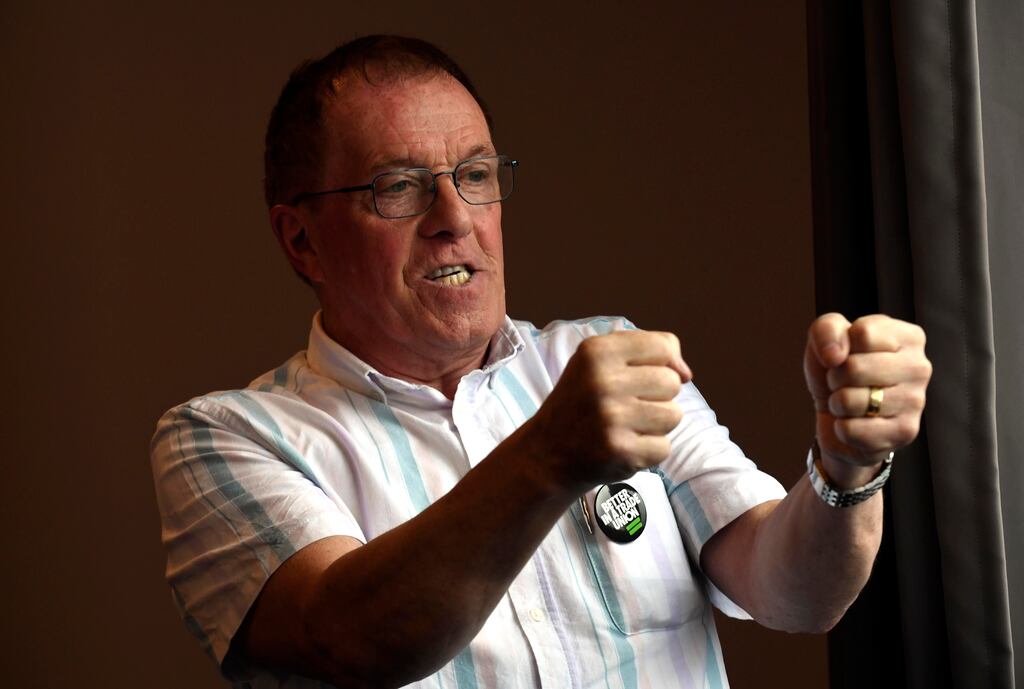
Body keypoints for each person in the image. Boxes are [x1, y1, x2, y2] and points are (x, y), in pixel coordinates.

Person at [150, 35, 932, 689]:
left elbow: (789, 589)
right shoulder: (227, 437)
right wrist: (550, 455)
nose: (454, 218)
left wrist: (846, 467)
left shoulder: (600, 356)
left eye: (477, 176)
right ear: (301, 239)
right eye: (399, 187)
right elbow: (349, 641)